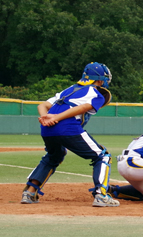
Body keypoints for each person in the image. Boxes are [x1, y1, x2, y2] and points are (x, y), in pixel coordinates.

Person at [21, 62, 119, 207]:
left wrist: (45, 118)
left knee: (54, 156)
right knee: (103, 155)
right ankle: (101, 195)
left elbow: (42, 106)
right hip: (67, 127)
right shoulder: (96, 93)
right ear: (100, 80)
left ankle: (29, 192)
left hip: (47, 129)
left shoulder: (69, 90)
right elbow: (83, 107)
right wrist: (56, 118)